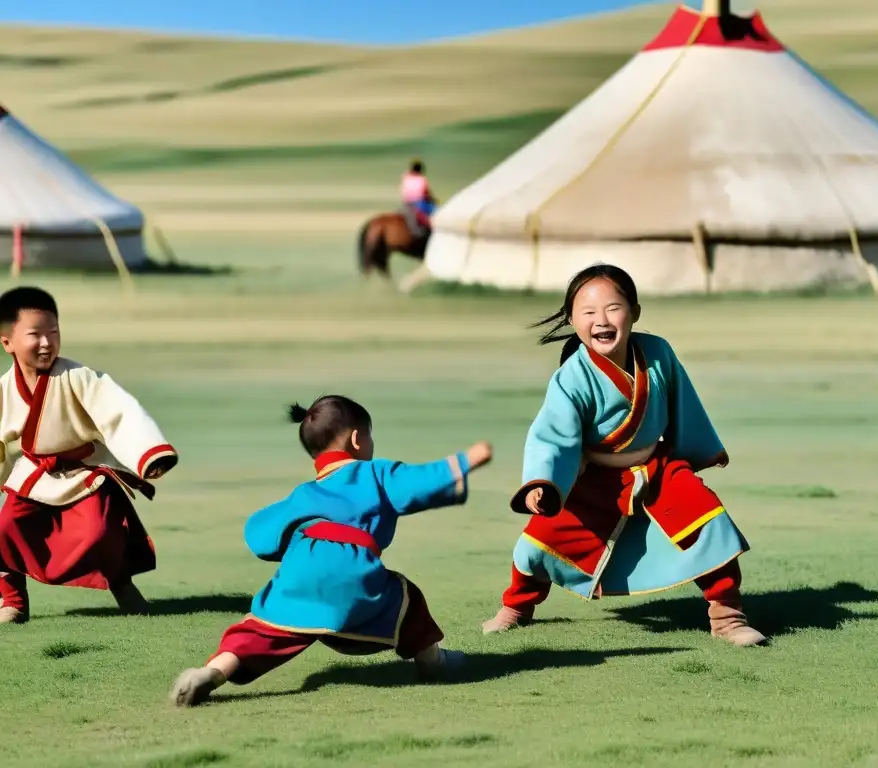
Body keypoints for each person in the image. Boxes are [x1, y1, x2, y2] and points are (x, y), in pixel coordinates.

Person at [481, 264, 766, 647]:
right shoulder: (571, 378)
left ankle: (728, 618)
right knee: (536, 544)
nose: (601, 320)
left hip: (658, 467)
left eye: (613, 308)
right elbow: (552, 438)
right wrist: (542, 482)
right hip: (595, 476)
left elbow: (684, 403)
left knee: (709, 521)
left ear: (634, 312)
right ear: (572, 319)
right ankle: (516, 608)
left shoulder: (658, 352)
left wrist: (703, 448)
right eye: (588, 312)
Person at [169, 395, 493, 707]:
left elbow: (259, 535)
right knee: (407, 600)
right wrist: (464, 462)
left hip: (301, 573)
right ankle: (433, 662)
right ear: (356, 440)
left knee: (260, 630)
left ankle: (211, 671)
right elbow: (415, 482)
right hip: (352, 576)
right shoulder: (374, 474)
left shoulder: (304, 493)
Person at [0, 286, 178, 625]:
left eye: (53, 333)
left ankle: (121, 584)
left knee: (100, 533)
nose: (46, 343)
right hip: (35, 474)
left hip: (86, 474)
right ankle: (12, 600)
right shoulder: (5, 389)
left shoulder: (78, 378)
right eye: (34, 334)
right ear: (6, 341)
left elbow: (119, 412)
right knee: (5, 526)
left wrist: (148, 453)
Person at [400, 159, 436, 231]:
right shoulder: (422, 179)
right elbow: (425, 193)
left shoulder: (405, 176)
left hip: (406, 202)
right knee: (435, 210)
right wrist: (432, 199)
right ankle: (432, 229)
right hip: (418, 202)